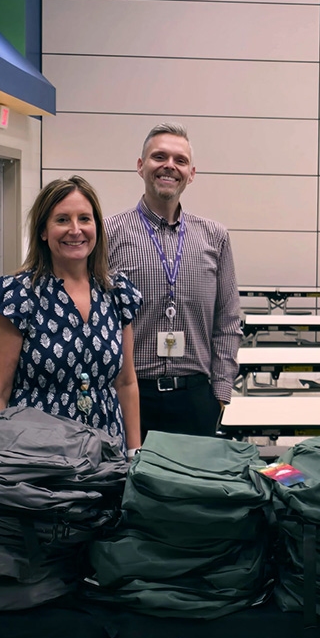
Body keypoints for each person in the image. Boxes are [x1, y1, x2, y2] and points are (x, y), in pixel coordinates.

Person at [0, 176, 142, 456]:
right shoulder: (17, 297)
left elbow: (126, 382)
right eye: (62, 220)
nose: (75, 230)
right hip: (37, 458)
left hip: (106, 453)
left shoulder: (116, 294)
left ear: (97, 228)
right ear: (43, 231)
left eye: (85, 219)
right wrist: (1, 466)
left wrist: (134, 451)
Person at [105, 122, 242, 441]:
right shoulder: (109, 234)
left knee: (191, 490)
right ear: (141, 166)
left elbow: (228, 321)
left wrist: (220, 393)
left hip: (195, 397)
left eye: (180, 160)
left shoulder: (215, 237)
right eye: (159, 157)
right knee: (127, 488)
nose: (169, 166)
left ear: (191, 173)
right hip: (130, 392)